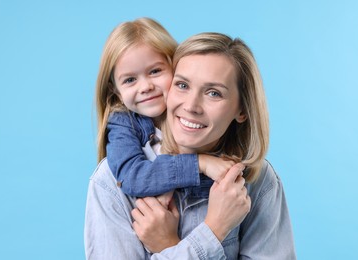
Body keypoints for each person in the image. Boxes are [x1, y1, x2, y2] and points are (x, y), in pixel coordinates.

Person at [85, 32, 296, 259]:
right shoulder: (110, 182)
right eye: (183, 85)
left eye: (213, 93)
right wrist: (214, 231)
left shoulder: (258, 180)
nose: (191, 106)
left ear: (242, 110)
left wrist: (169, 245)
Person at [95, 17, 235, 207]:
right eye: (129, 80)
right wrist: (199, 163)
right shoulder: (122, 124)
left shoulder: (197, 121)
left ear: (175, 67)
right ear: (115, 90)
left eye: (155, 71)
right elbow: (133, 177)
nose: (145, 86)